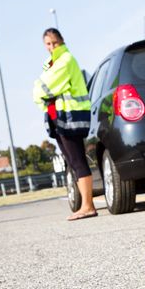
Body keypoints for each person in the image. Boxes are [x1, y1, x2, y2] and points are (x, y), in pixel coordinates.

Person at [33, 28, 97, 221]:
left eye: (55, 43)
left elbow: (45, 87)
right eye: (48, 44)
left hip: (71, 117)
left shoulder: (65, 60)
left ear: (62, 41)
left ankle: (88, 206)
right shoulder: (52, 63)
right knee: (72, 162)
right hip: (59, 118)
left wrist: (37, 88)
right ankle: (85, 205)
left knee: (78, 160)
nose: (52, 47)